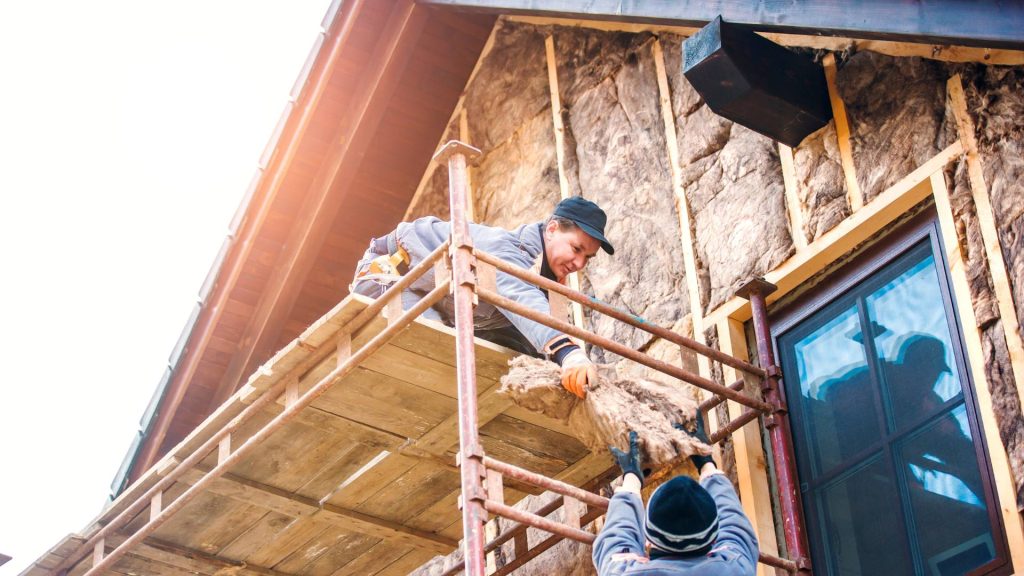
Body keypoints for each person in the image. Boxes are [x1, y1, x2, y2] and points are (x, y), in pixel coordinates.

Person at [349, 196, 615, 399]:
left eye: (587, 258)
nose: (579, 263)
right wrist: (569, 353)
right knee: (436, 351)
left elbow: (527, 331)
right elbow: (519, 296)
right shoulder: (509, 251)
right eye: (576, 249)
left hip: (434, 300)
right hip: (390, 275)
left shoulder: (543, 281)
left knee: (514, 353)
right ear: (552, 229)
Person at [594, 417, 758, 576]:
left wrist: (632, 478)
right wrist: (706, 463)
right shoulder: (736, 568)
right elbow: (735, 527)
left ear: (648, 542)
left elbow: (617, 540)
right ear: (714, 540)